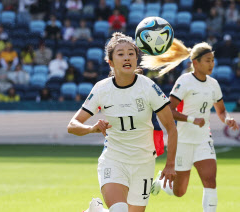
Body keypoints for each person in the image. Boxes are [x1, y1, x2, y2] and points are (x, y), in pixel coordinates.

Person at [67, 32, 177, 212]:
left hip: (144, 164)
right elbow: (72, 125)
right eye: (120, 54)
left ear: (136, 59)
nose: (127, 57)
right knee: (119, 210)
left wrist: (170, 164)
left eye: (131, 53)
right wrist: (92, 128)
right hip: (114, 160)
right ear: (110, 62)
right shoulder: (102, 89)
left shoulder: (148, 87)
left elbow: (171, 128)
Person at [141, 39, 239, 212]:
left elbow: (221, 111)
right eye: (207, 60)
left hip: (203, 141)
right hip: (183, 142)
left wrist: (227, 119)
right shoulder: (184, 81)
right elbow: (168, 110)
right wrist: (192, 119)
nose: (211, 64)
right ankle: (161, 182)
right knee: (179, 192)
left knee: (210, 181)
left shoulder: (213, 84)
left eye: (212, 60)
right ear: (195, 62)